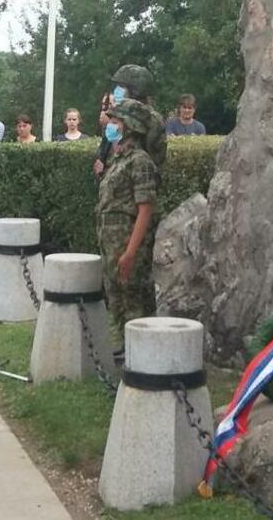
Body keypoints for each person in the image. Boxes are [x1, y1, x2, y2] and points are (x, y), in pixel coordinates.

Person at [96, 100, 160, 354]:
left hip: (127, 247)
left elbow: (145, 209)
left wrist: (130, 252)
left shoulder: (140, 161)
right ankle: (123, 356)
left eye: (115, 121)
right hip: (111, 247)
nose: (110, 125)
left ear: (130, 127)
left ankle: (140, 359)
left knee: (134, 305)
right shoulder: (118, 158)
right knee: (117, 303)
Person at [94, 65, 167, 177]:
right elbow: (106, 147)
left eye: (122, 86)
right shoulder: (117, 112)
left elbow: (154, 158)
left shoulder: (151, 119)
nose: (117, 90)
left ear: (135, 90)